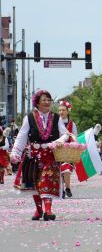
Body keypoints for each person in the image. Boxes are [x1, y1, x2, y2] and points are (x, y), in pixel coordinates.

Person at [10, 90, 69, 221]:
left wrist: (59, 141)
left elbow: (65, 134)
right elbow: (21, 136)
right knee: (35, 183)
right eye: (44, 100)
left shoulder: (56, 118)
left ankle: (48, 210)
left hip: (49, 154)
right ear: (37, 102)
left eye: (49, 99)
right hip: (33, 155)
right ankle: (39, 209)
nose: (47, 102)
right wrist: (15, 152)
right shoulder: (29, 118)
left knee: (47, 180)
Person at [58, 100, 78, 198]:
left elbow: (75, 136)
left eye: (63, 110)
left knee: (66, 169)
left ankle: (67, 187)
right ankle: (61, 189)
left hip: (68, 150)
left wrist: (75, 145)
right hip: (57, 149)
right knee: (58, 171)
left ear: (67, 111)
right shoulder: (55, 123)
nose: (61, 112)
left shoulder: (72, 124)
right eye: (60, 110)